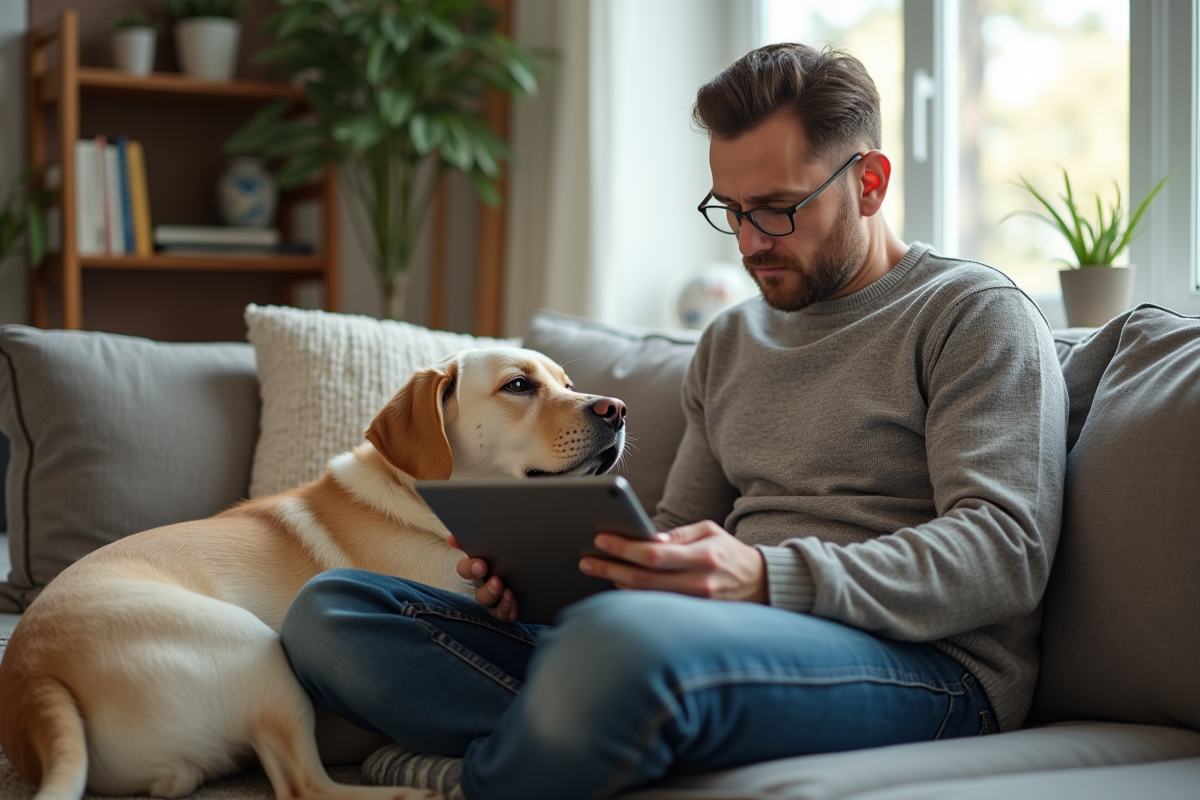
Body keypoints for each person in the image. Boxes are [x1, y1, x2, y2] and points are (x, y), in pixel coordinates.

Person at [279, 43, 1068, 800]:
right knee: (332, 610)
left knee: (626, 651)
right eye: (730, 210)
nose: (752, 243)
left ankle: (492, 777)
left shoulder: (971, 315)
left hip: (928, 669)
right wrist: (550, 582)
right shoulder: (732, 340)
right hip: (707, 642)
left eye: (779, 209)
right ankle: (582, 744)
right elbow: (671, 534)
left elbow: (1006, 553)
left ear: (869, 183)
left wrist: (766, 578)